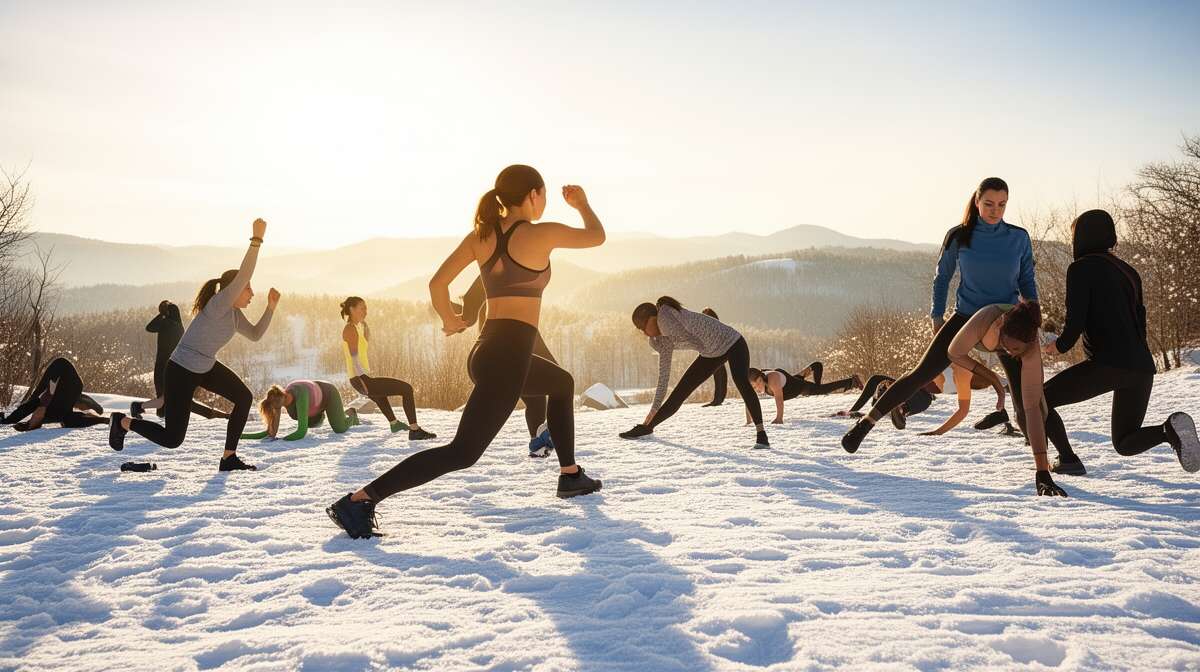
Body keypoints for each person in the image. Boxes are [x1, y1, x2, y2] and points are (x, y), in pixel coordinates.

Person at [328, 165, 605, 539]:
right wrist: (582, 203)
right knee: (462, 452)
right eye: (545, 195)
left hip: (488, 349)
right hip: (508, 356)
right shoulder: (540, 234)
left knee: (560, 382)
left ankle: (570, 475)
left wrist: (452, 319)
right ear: (534, 195)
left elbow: (437, 283)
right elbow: (596, 236)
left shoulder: (482, 236)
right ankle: (359, 500)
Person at [842, 177, 1038, 453]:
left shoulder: (1019, 237)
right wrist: (936, 316)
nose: (996, 210)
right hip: (966, 317)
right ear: (977, 202)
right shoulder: (959, 235)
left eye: (1002, 205)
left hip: (1006, 321)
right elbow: (941, 278)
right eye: (989, 204)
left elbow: (1028, 280)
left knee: (1022, 393)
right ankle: (866, 423)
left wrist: (1033, 315)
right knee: (920, 374)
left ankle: (1043, 453)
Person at [108, 218, 279, 472]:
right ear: (235, 289)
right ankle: (122, 422)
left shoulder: (234, 315)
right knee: (173, 439)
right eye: (248, 289)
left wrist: (271, 309)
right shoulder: (220, 303)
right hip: (181, 370)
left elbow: (254, 334)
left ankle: (228, 457)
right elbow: (245, 273)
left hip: (205, 366)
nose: (252, 294)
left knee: (243, 397)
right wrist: (256, 240)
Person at [1041, 209, 1198, 475]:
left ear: (1081, 237)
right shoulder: (1128, 271)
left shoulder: (1080, 269)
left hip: (1108, 363)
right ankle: (1168, 430)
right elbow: (1140, 320)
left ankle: (1067, 460)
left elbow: (1075, 322)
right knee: (1125, 441)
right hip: (1140, 366)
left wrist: (1057, 347)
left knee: (1039, 399)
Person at [944, 301, 1067, 496]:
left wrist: (1042, 471)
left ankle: (1059, 459)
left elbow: (1032, 409)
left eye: (1018, 350)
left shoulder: (1030, 347)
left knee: (1027, 410)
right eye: (1010, 347)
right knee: (921, 373)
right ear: (1001, 327)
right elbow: (954, 352)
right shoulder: (986, 319)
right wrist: (993, 379)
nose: (1012, 353)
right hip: (966, 326)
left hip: (1005, 337)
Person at [621, 297, 769, 449]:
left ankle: (762, 436)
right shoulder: (659, 339)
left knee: (741, 382)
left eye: (643, 326)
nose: (644, 333)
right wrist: (654, 410)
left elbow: (691, 338)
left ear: (652, 318)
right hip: (710, 353)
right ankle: (647, 428)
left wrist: (666, 342)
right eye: (640, 330)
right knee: (680, 391)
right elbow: (663, 377)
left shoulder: (665, 316)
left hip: (733, 342)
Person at [455, 275, 555, 457]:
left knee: (541, 390)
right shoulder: (495, 268)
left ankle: (538, 442)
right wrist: (452, 316)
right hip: (504, 336)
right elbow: (470, 306)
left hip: (523, 331)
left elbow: (470, 309)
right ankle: (544, 439)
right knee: (555, 381)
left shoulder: (524, 261)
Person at [339, 297, 436, 441]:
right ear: (352, 309)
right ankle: (414, 430)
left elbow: (364, 345)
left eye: (366, 308)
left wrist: (365, 326)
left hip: (360, 377)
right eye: (362, 308)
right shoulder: (350, 329)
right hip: (360, 378)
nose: (365, 311)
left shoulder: (357, 327)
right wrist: (364, 379)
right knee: (406, 389)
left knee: (380, 396)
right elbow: (354, 357)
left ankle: (394, 423)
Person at [130, 300, 230, 420]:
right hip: (176, 365)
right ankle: (218, 416)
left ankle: (139, 407)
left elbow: (149, 327)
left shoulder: (165, 323)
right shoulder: (180, 327)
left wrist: (161, 314)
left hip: (163, 366)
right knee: (175, 399)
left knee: (167, 399)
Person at [0, 358, 109, 431]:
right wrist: (8, 421)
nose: (33, 416)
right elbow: (28, 407)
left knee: (41, 402)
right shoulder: (48, 413)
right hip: (65, 380)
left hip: (66, 377)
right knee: (65, 418)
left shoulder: (44, 407)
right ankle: (79, 399)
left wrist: (9, 421)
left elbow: (37, 398)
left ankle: (79, 399)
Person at [241, 380, 360, 441]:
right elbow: (271, 433)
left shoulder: (300, 395)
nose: (277, 408)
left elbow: (301, 432)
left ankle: (351, 415)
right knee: (314, 423)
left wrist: (282, 440)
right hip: (314, 407)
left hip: (328, 393)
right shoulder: (278, 402)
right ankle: (322, 415)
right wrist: (242, 436)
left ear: (283, 395)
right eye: (275, 406)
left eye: (278, 404)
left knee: (339, 428)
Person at [747, 363, 862, 422]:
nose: (757, 388)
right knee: (796, 379)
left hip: (798, 388)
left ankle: (852, 381)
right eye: (754, 387)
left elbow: (779, 400)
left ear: (761, 378)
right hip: (790, 382)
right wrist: (749, 420)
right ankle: (814, 367)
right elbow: (749, 400)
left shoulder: (773, 379)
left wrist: (779, 418)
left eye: (757, 384)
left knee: (821, 390)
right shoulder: (756, 383)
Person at [700, 308, 729, 407]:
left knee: (720, 375)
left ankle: (718, 400)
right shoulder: (706, 327)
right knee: (718, 375)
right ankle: (718, 399)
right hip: (712, 354)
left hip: (718, 353)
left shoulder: (715, 327)